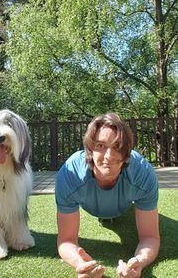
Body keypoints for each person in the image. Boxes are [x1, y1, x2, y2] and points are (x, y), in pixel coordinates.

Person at [55, 113, 160, 278]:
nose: (109, 156)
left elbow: (150, 237)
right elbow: (66, 240)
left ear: (127, 151)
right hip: (91, 206)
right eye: (100, 145)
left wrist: (140, 260)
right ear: (89, 148)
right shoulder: (70, 174)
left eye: (117, 145)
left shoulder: (143, 173)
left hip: (125, 207)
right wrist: (79, 263)